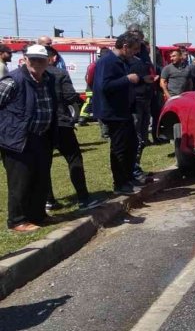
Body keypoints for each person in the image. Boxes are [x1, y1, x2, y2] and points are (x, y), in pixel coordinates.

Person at [0, 45, 57, 232]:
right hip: (18, 139)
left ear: (48, 61)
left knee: (40, 178)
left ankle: (37, 215)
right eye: (33, 59)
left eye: (41, 59)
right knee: (20, 181)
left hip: (41, 137)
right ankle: (17, 220)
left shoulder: (48, 79)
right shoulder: (13, 80)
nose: (37, 63)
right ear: (25, 59)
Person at [42, 46, 103, 211]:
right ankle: (83, 198)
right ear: (53, 58)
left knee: (44, 164)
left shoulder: (30, 75)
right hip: (61, 123)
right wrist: (78, 101)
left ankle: (48, 200)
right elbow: (69, 96)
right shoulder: (59, 73)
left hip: (41, 125)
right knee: (74, 159)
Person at [93, 33, 150, 195]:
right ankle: (120, 183)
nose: (135, 53)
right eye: (134, 49)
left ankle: (128, 177)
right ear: (125, 46)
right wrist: (127, 79)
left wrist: (141, 79)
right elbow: (105, 86)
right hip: (112, 112)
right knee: (119, 148)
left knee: (131, 145)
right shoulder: (108, 61)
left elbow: (125, 80)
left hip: (123, 110)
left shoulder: (122, 61)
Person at [129, 34, 158, 183]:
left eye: (140, 38)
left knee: (142, 138)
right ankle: (132, 170)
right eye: (135, 38)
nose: (138, 41)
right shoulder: (128, 59)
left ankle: (136, 167)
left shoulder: (143, 54)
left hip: (146, 98)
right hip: (135, 101)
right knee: (136, 138)